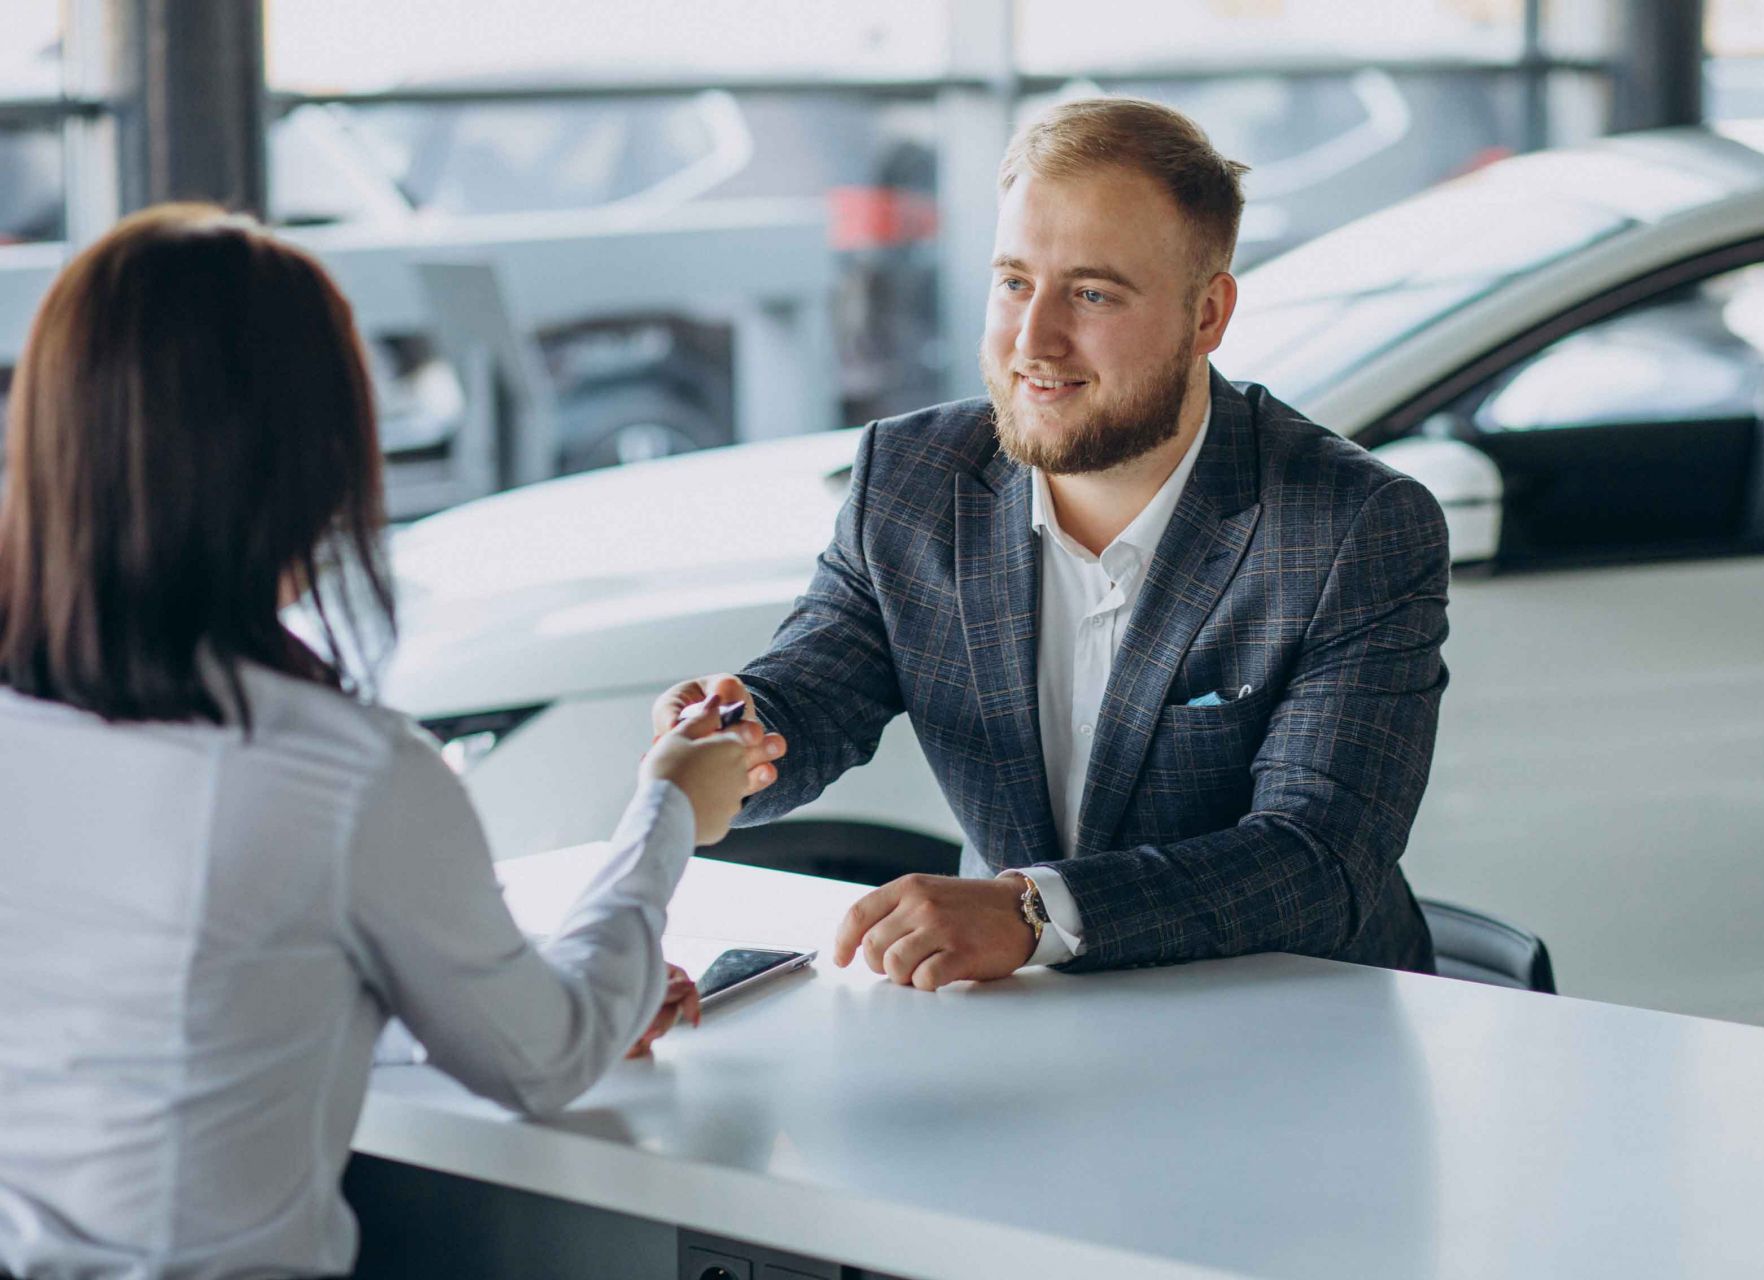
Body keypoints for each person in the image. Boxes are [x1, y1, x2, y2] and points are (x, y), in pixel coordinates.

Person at [0, 206, 783, 1279]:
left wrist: (442, 997)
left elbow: (185, 1003)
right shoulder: (335, 771)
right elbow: (545, 1056)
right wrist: (667, 812)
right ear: (309, 459)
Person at [656, 98, 1449, 990]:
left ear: (1207, 316)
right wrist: (741, 736)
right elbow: (814, 692)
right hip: (1032, 1022)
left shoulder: (1355, 526)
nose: (1035, 341)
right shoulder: (913, 476)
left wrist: (1033, 913)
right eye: (1013, 282)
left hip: (1297, 1029)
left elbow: (1320, 861)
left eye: (1092, 292)